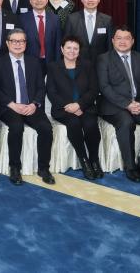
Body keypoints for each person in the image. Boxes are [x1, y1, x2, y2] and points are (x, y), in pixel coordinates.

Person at [97, 26, 140, 183]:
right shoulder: (103, 59)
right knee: (126, 123)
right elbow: (104, 87)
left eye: (126, 38)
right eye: (119, 38)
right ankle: (130, 167)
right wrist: (127, 104)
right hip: (114, 105)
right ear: (113, 41)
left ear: (132, 41)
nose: (122, 41)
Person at [0, 29, 55, 186]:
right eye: (14, 41)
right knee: (16, 127)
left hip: (30, 106)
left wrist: (34, 104)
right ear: (7, 43)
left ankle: (44, 168)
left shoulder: (34, 62)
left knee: (45, 128)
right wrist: (12, 104)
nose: (18, 44)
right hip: (9, 107)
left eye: (21, 41)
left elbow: (41, 88)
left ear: (26, 44)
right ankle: (15, 168)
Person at [46, 36, 102, 180]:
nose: (72, 51)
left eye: (75, 48)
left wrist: (79, 105)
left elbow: (93, 89)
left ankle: (94, 160)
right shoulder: (53, 67)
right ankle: (84, 160)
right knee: (74, 123)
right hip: (63, 109)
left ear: (79, 51)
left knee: (91, 125)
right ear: (62, 49)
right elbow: (51, 92)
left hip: (86, 107)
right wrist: (69, 106)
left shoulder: (87, 65)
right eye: (68, 48)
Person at [64, 0, 113, 64]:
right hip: (77, 63)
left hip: (100, 64)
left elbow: (110, 46)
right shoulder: (71, 19)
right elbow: (66, 43)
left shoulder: (107, 20)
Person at [19, 0, 62, 75]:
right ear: (30, 1)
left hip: (50, 62)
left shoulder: (55, 19)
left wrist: (58, 63)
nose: (39, 0)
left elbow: (58, 43)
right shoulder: (22, 19)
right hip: (29, 62)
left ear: (46, 0)